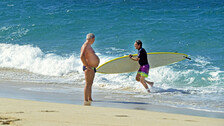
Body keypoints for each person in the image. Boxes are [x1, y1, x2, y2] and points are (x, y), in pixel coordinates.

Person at [80, 33, 100, 103]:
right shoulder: (85, 45)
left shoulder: (89, 45)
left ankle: (90, 98)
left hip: (92, 67)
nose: (94, 41)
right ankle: (85, 100)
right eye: (94, 39)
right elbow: (81, 56)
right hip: (88, 67)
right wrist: (86, 66)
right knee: (88, 83)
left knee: (90, 83)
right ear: (91, 39)